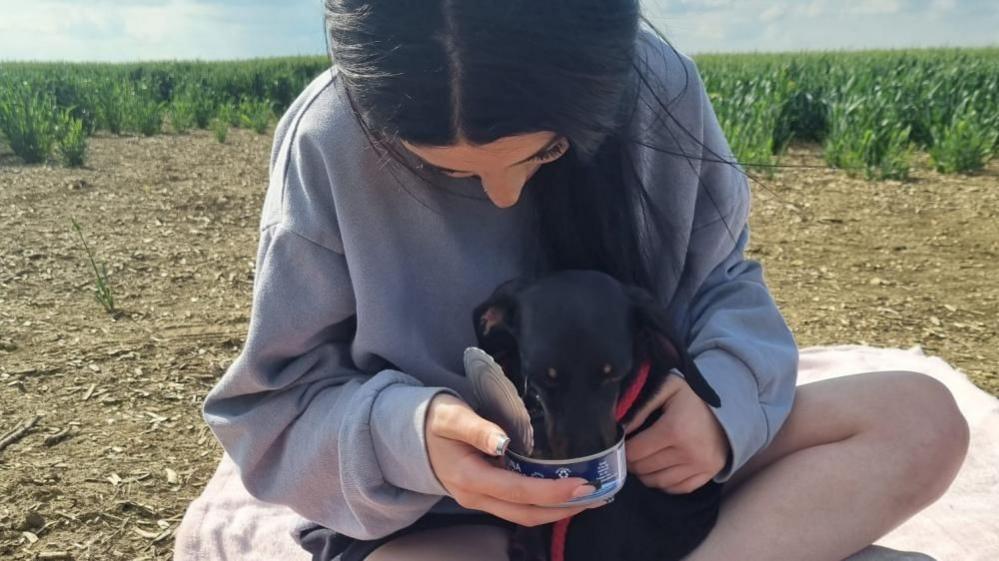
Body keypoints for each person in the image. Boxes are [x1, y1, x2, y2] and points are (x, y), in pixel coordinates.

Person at [200, 2, 970, 560]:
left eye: (541, 153)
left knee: (920, 417)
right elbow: (271, 414)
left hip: (654, 476)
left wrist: (723, 414)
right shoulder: (332, 140)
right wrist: (408, 441)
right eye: (447, 174)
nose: (504, 197)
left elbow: (722, 284)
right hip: (458, 514)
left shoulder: (656, 89)